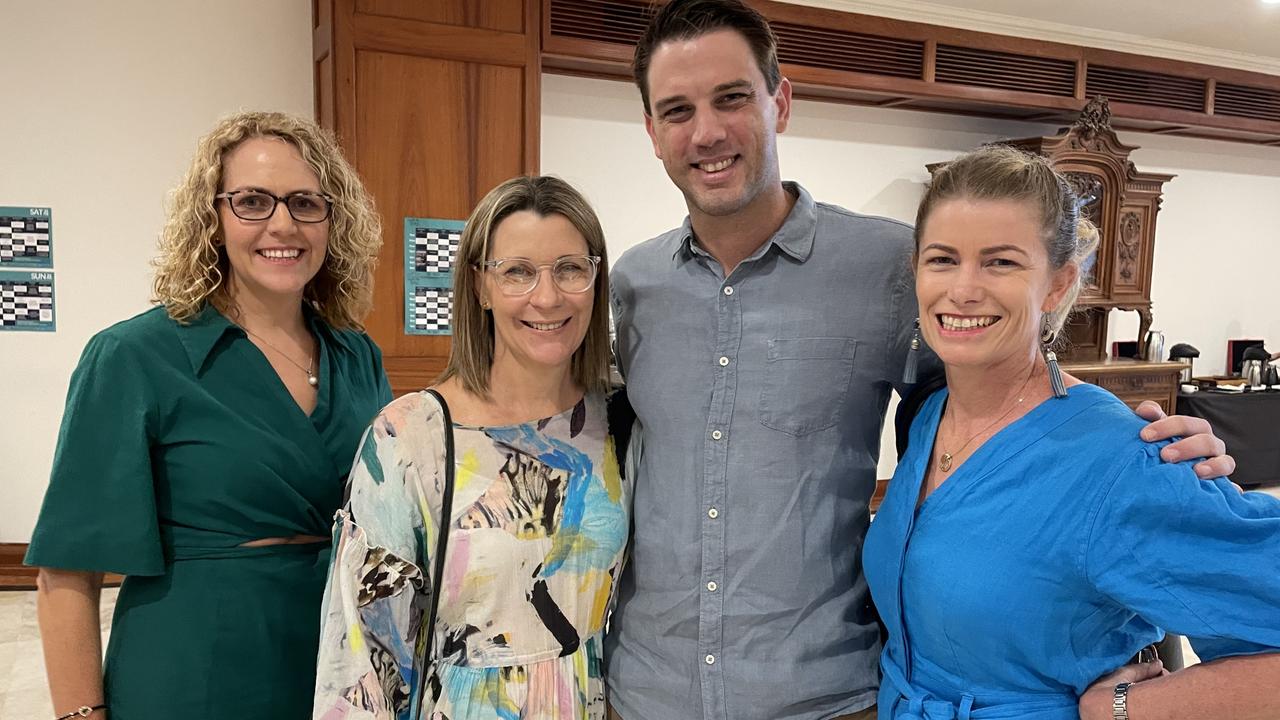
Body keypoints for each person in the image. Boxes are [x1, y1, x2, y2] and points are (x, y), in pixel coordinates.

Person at [605, 2, 1236, 720]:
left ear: (779, 102)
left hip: (824, 696)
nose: (708, 131)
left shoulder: (885, 268)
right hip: (646, 692)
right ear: (653, 132)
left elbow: (1006, 394)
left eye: (732, 97)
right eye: (677, 110)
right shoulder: (632, 285)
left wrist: (1134, 453)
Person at [863, 144, 1280, 720]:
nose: (962, 288)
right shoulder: (926, 413)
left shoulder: (1123, 461)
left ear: (1058, 285)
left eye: (1000, 262)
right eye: (942, 259)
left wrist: (1132, 707)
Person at [25, 110, 392, 720]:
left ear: (333, 220)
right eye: (252, 201)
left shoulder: (357, 356)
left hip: (343, 667)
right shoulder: (134, 356)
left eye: (305, 202)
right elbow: (67, 573)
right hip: (197, 669)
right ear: (212, 218)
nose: (283, 223)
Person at [313, 176, 630, 720]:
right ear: (480, 285)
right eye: (517, 272)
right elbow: (360, 657)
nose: (548, 296)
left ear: (596, 279)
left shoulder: (619, 417)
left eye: (570, 269)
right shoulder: (409, 439)